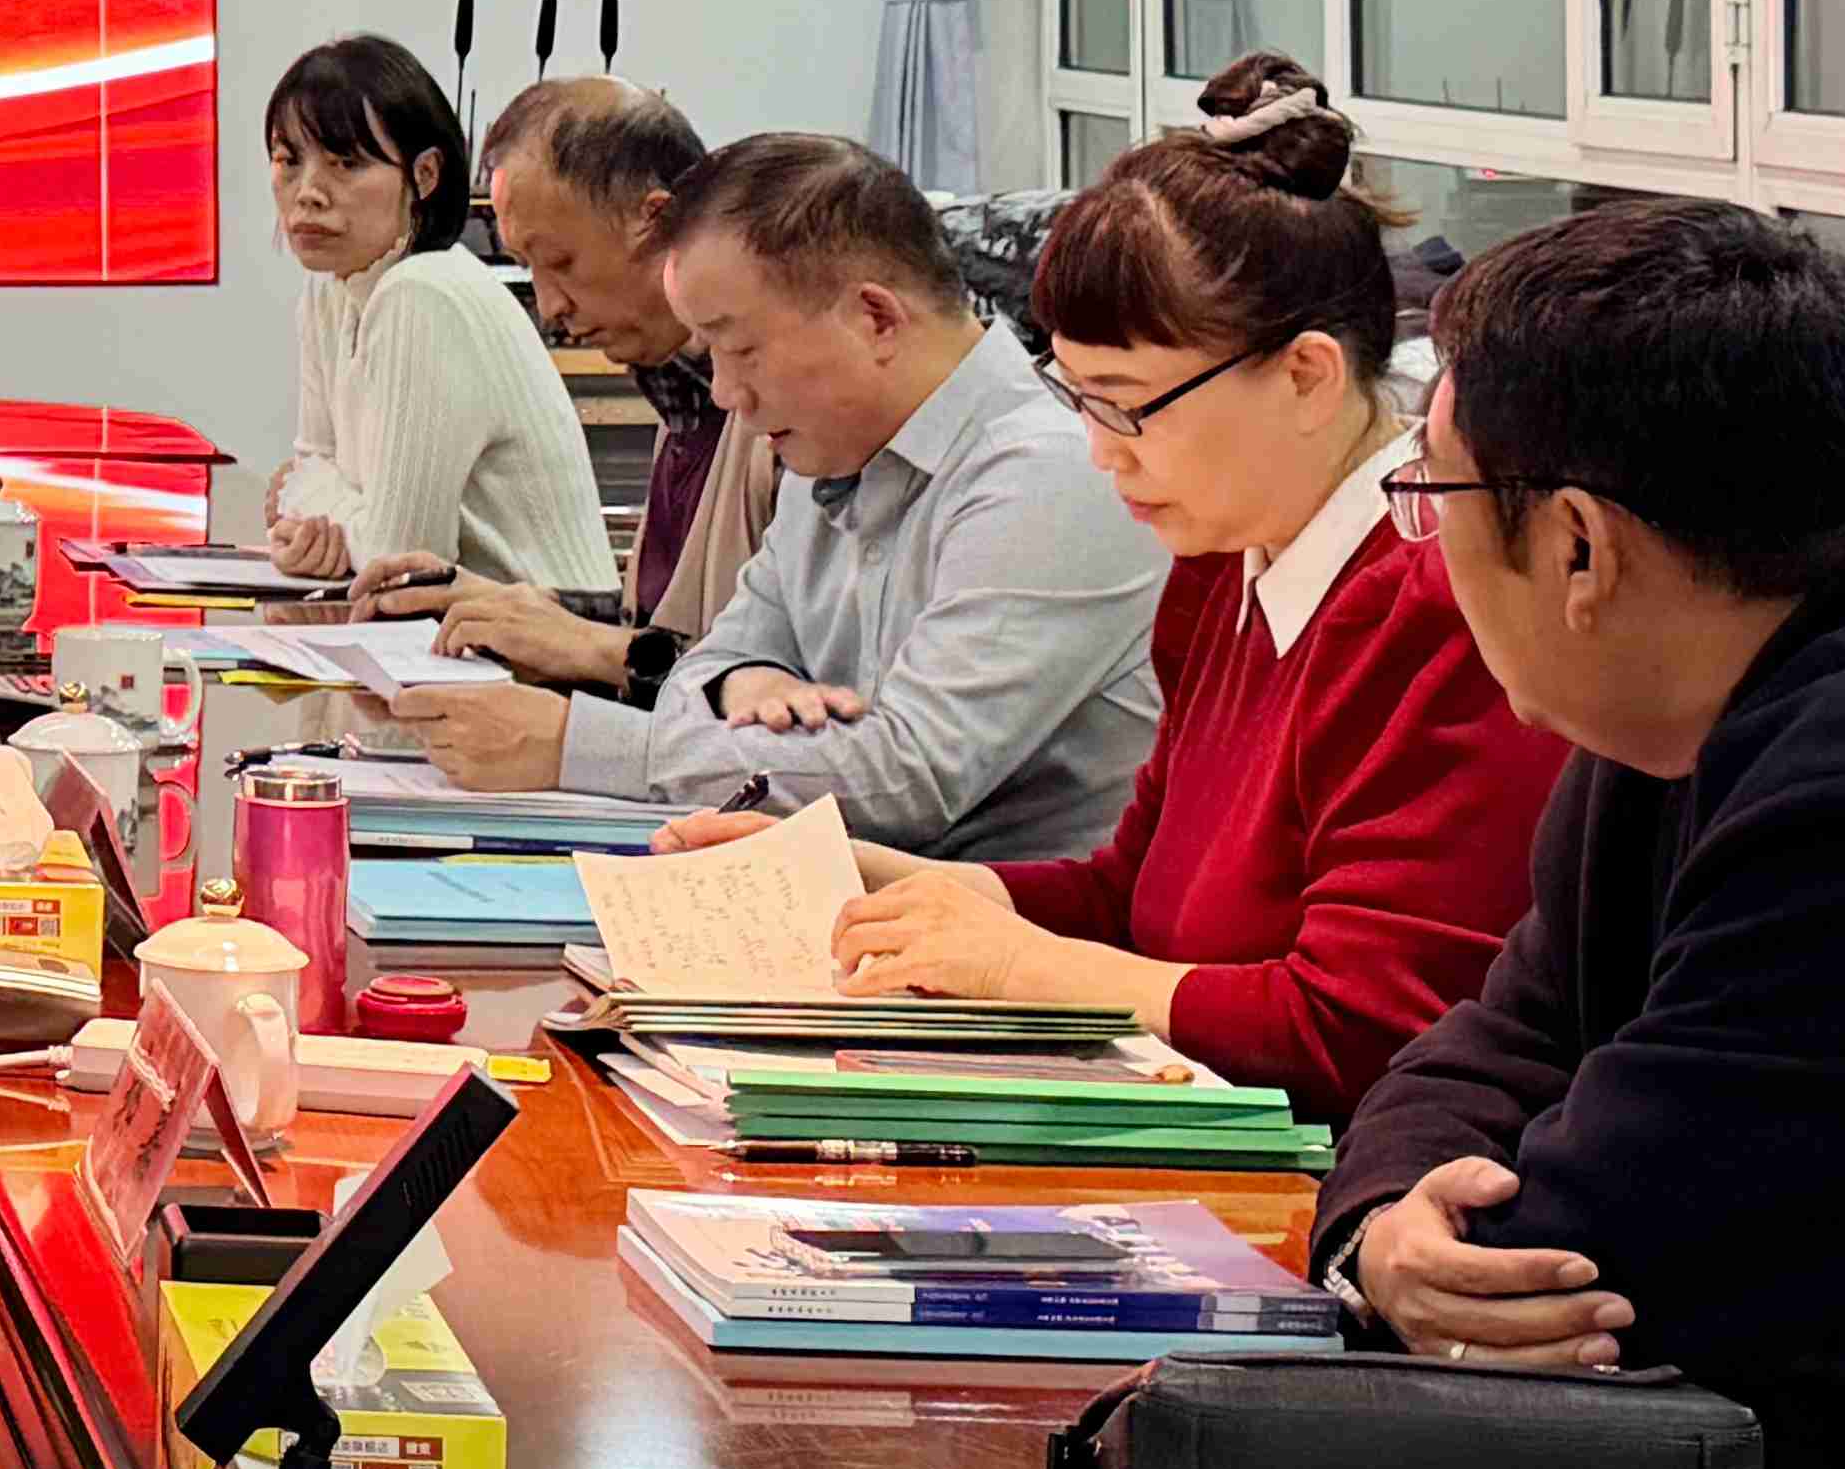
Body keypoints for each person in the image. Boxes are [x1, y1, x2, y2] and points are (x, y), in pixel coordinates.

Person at [650, 60, 1556, 1118]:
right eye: (1078, 400)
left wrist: (1021, 965)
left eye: (1126, 406)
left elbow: (1363, 1027)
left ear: (1306, 376)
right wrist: (852, 876)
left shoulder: (1443, 603)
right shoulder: (1227, 568)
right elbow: (1129, 897)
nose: (1099, 451)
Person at [1318, 202, 1845, 1469]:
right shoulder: (1681, 715)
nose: (1422, 551)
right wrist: (1379, 1234)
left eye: (1432, 498)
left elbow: (1595, 1264)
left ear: (1578, 549)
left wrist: (1426, 1251)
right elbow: (1491, 1041)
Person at [391, 130, 1162, 860]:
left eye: (742, 350)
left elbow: (908, 776)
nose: (725, 394)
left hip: (1010, 934)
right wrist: (745, 680)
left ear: (875, 318)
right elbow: (703, 668)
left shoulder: (1048, 474)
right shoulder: (831, 454)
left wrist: (574, 745)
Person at [360, 78, 779, 706]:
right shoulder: (680, 395)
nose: (550, 306)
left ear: (658, 219)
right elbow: (666, 630)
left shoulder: (784, 418)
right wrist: (515, 610)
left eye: (561, 262)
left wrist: (587, 646)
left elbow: (787, 691)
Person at [252, 32, 616, 594]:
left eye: (346, 163)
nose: (308, 193)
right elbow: (311, 464)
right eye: (288, 160)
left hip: (550, 633)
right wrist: (322, 507)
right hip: (449, 628)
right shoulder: (329, 292)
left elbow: (401, 559)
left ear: (424, 175)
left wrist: (307, 502)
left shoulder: (424, 293)